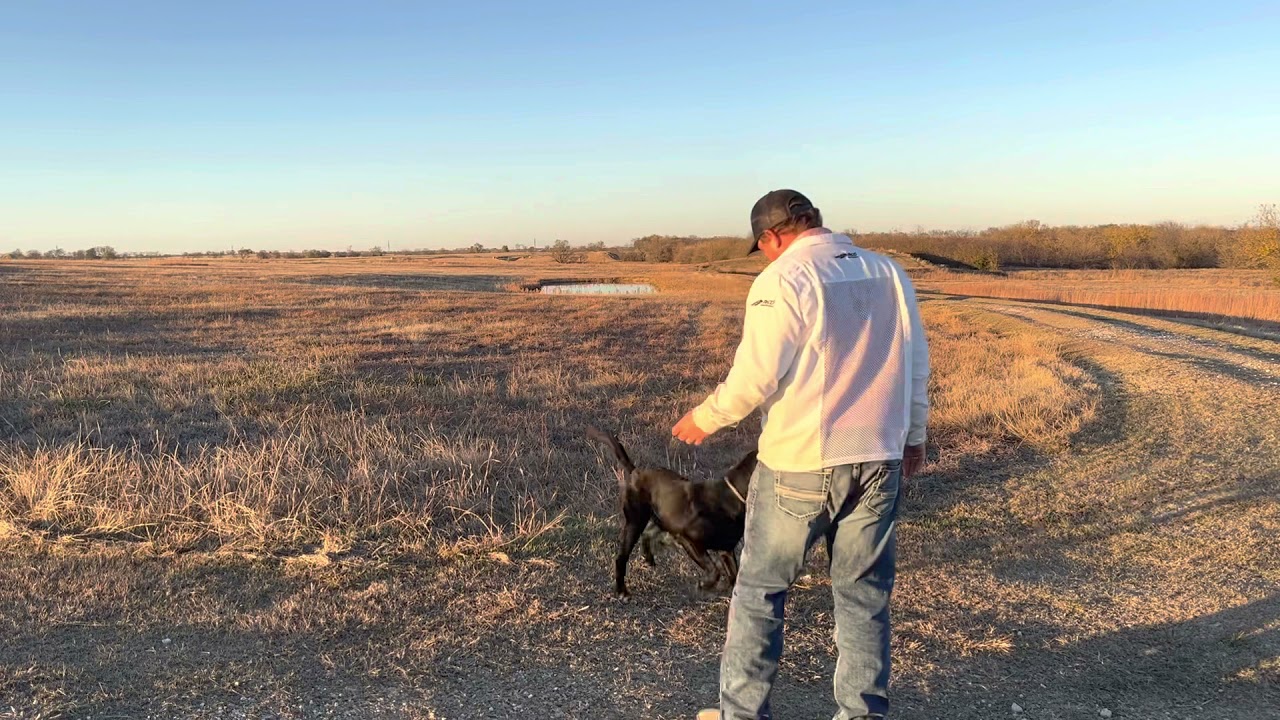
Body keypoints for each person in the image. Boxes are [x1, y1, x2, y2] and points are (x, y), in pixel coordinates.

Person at [672, 189, 930, 720]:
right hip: (879, 457)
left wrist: (707, 416)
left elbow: (757, 376)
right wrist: (914, 435)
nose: (765, 254)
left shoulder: (781, 279)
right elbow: (915, 361)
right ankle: (861, 714)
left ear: (772, 235)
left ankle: (742, 713)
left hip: (801, 464)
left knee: (760, 592)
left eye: (762, 245)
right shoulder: (889, 273)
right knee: (864, 594)